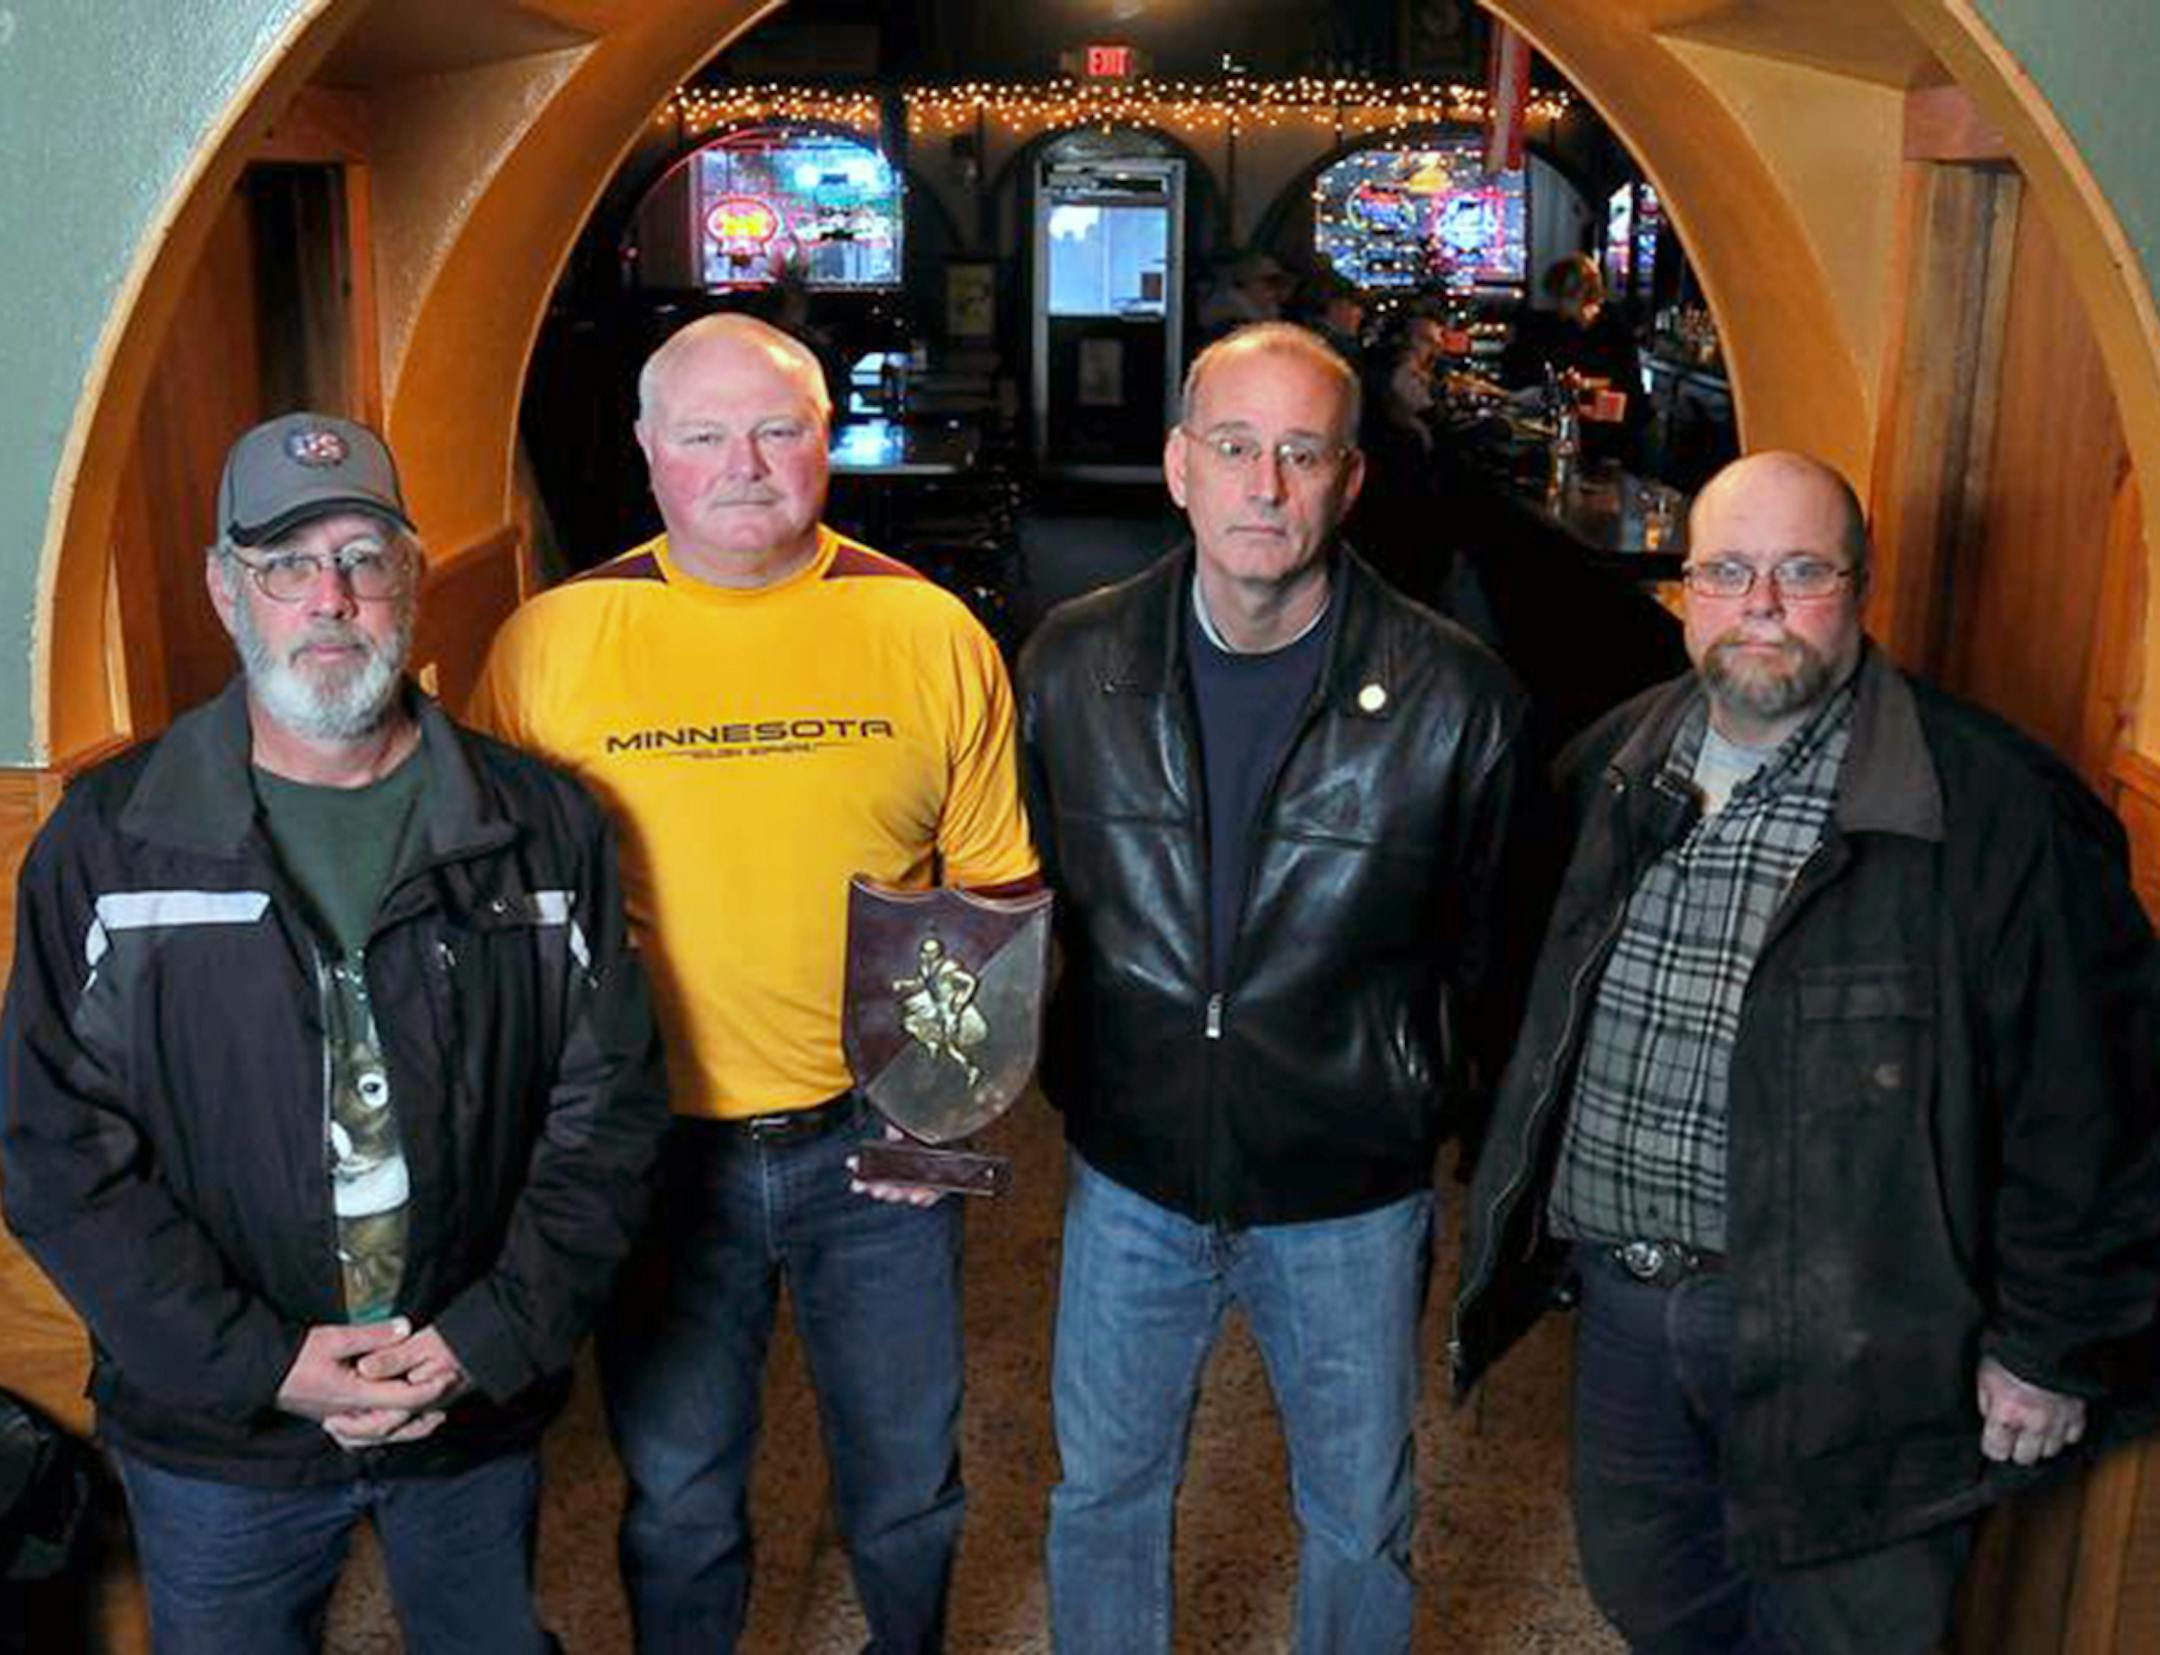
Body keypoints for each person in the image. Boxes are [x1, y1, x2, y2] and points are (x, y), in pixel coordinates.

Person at [1452, 450, 2160, 1653]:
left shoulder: (1993, 811)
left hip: (1861, 1340)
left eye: (1802, 571)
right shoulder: (1612, 764)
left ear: (1862, 586)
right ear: (1685, 592)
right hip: (1626, 1302)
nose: (1762, 604)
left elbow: (2098, 1102)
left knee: (1843, 1630)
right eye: (1727, 571)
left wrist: (2051, 1345)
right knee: (1650, 1588)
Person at [0, 412, 669, 1654]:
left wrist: (484, 1338)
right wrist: (263, 1362)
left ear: (411, 577)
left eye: (364, 556)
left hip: (462, 1405)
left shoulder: (537, 825)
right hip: (217, 1435)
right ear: (225, 589)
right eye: (285, 564)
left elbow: (607, 1117)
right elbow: (55, 1156)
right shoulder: (108, 838)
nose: (331, 598)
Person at [467, 314, 1039, 1655]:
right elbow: (496, 913)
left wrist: (940, 1125)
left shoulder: (927, 627)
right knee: (677, 1494)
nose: (745, 463)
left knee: (908, 1485)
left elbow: (994, 895)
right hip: (650, 1148)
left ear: (825, 445)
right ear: (650, 453)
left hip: (874, 1140)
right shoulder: (551, 642)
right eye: (707, 433)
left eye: (778, 429)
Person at [1017, 322, 1530, 1654]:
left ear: (1348, 481)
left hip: (1350, 1184)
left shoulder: (1457, 696)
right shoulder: (1073, 663)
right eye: (1235, 447)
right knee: (1103, 1494)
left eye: (1300, 453)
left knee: (1359, 1515)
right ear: (1180, 466)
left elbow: (1489, 950)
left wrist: (1427, 1102)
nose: (1264, 485)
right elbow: (1026, 901)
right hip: (1131, 1164)